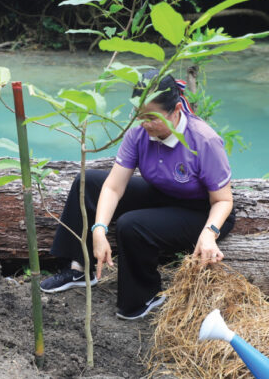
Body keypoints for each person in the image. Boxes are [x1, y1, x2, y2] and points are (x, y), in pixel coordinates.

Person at [40, 70, 235, 320]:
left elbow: (223, 200)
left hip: (203, 211)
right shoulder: (139, 132)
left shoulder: (203, 140)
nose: (144, 123)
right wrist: (99, 229)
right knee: (87, 182)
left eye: (152, 117)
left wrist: (210, 233)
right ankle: (80, 268)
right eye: (139, 115)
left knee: (131, 225)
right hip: (163, 194)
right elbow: (113, 186)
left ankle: (142, 298)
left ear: (176, 110)